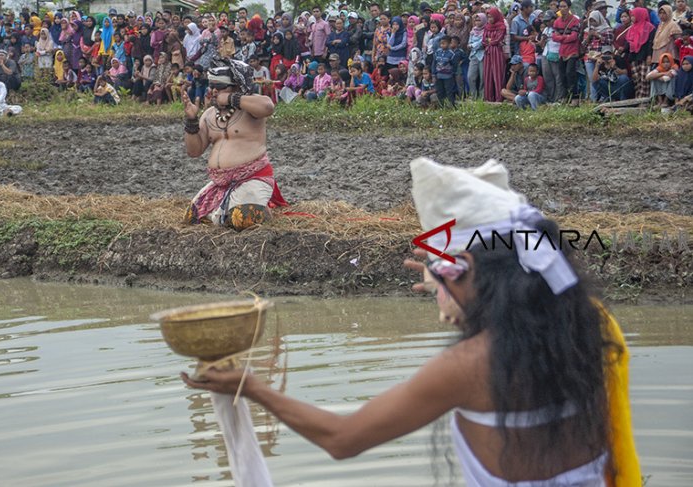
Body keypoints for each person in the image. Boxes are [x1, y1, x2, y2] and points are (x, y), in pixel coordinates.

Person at [182, 157, 641, 487]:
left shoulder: (468, 367)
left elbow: (343, 439)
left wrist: (254, 388)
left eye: (442, 272)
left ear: (471, 270)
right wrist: (453, 288)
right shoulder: (587, 326)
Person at [182, 58, 288, 229]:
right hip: (221, 182)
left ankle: (264, 209)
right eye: (212, 86)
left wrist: (231, 98)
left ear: (237, 87)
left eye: (219, 87)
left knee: (242, 218)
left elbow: (268, 106)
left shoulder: (250, 108)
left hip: (252, 177)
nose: (214, 91)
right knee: (192, 217)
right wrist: (192, 120)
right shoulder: (209, 114)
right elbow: (194, 151)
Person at [552, 0, 581, 103]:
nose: (562, 8)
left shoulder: (575, 20)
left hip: (572, 51)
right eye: (560, 6)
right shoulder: (557, 21)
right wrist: (566, 37)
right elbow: (554, 37)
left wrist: (561, 37)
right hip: (562, 52)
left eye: (564, 6)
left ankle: (575, 97)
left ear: (569, 7)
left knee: (570, 74)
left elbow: (574, 37)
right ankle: (565, 96)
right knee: (562, 75)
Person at [627, 7, 656, 99]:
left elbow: (650, 42)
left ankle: (644, 99)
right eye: (631, 16)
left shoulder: (649, 27)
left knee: (644, 78)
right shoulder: (632, 28)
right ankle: (637, 97)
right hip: (634, 56)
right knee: (636, 78)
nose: (632, 18)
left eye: (633, 16)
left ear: (640, 15)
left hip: (644, 56)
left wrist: (649, 56)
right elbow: (629, 42)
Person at [432, 35, 466, 107]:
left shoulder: (451, 54)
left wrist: (451, 72)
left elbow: (454, 65)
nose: (442, 45)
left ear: (449, 44)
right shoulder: (437, 52)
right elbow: (434, 63)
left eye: (444, 43)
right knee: (440, 91)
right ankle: (441, 106)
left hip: (448, 76)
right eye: (441, 43)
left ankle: (451, 106)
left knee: (449, 91)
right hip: (439, 75)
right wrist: (434, 74)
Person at [483, 8, 507, 102]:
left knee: (498, 75)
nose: (490, 19)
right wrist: (490, 41)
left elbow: (498, 40)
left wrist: (490, 41)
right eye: (488, 17)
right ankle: (488, 98)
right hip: (488, 52)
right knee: (487, 74)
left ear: (496, 16)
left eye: (491, 17)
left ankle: (499, 98)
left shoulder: (502, 26)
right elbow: (483, 41)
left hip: (497, 52)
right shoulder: (487, 26)